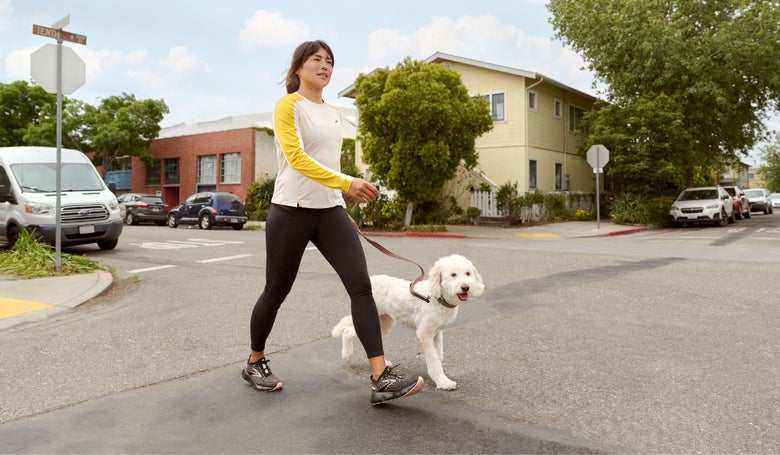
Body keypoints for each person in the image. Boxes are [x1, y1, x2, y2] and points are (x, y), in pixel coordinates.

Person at [242, 40, 424, 405]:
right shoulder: (288, 106)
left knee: (361, 288)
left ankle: (380, 377)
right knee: (276, 291)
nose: (325, 66)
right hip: (291, 210)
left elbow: (328, 161)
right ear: (298, 68)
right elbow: (296, 158)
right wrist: (347, 183)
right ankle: (255, 361)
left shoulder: (335, 112)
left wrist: (342, 192)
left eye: (329, 61)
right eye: (316, 60)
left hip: (329, 211)